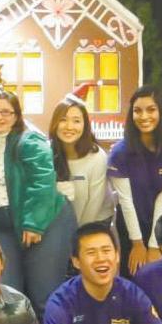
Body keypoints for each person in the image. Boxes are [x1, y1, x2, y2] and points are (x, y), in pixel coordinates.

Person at [0, 90, 77, 317]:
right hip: (2, 224)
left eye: (6, 112)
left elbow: (42, 182)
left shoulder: (29, 141)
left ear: (16, 115)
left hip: (42, 220)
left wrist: (33, 223)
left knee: (44, 293)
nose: (0, 117)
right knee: (6, 292)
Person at [108, 85, 162, 277]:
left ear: (161, 112)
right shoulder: (120, 153)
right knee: (135, 277)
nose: (143, 116)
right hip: (130, 227)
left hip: (160, 225)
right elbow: (126, 201)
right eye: (137, 111)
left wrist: (154, 245)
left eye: (151, 109)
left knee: (160, 280)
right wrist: (137, 244)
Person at [49, 96, 113, 227]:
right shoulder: (46, 154)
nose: (69, 127)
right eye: (63, 120)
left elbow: (94, 204)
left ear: (85, 125)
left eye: (76, 121)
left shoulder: (97, 157)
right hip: (61, 222)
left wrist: (80, 234)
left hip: (96, 221)